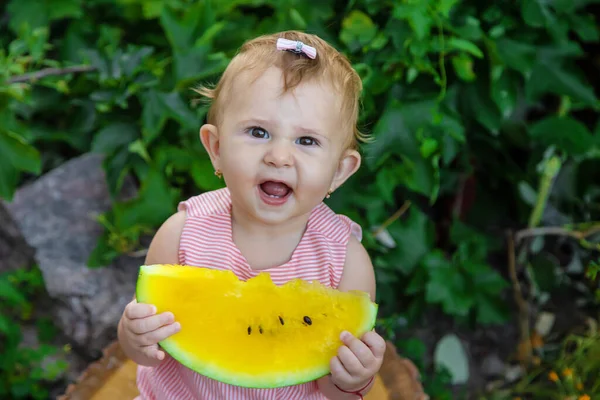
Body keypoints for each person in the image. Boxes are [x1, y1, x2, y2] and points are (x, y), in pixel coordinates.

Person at [117, 30, 412, 399]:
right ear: (216, 148)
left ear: (339, 170)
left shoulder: (346, 263)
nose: (279, 156)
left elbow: (335, 390)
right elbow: (148, 353)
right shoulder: (182, 235)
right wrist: (133, 337)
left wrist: (353, 379)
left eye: (306, 141)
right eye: (258, 132)